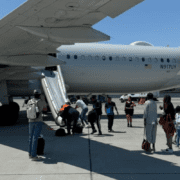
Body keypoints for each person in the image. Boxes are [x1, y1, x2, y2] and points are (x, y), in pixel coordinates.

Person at [27, 89, 45, 161]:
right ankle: (34, 155)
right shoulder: (40, 101)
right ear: (39, 95)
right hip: (38, 121)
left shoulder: (29, 101)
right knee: (35, 138)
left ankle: (30, 154)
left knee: (30, 138)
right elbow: (42, 109)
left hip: (30, 121)